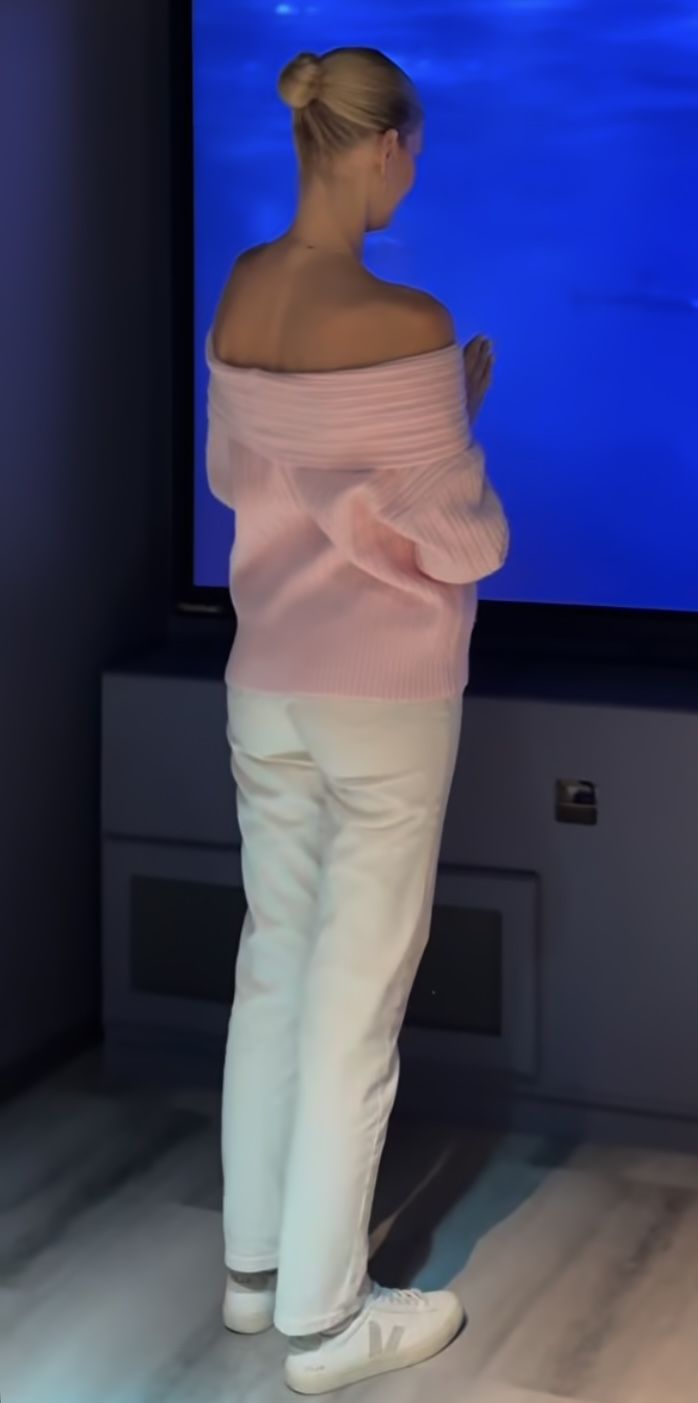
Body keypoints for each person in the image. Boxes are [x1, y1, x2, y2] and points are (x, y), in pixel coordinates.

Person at [206, 47, 509, 1396]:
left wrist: (428, 425)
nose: (412, 176)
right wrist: (461, 423)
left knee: (274, 965)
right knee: (354, 1002)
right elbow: (457, 542)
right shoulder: (409, 321)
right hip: (383, 700)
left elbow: (241, 475)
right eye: (414, 154)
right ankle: (329, 1326)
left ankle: (254, 1271)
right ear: (385, 147)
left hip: (265, 680)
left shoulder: (241, 289)